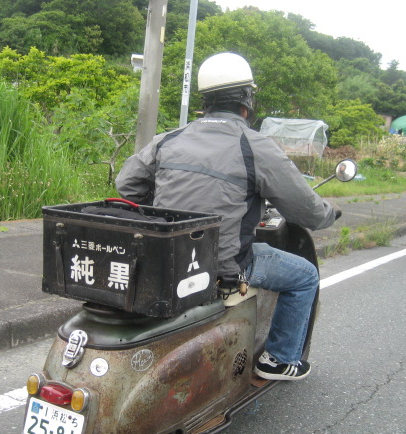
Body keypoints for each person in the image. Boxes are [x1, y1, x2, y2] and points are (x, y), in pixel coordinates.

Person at [115, 52, 339, 381]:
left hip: (166, 257)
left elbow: (127, 185)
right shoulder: (255, 146)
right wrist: (330, 213)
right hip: (225, 265)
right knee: (304, 277)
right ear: (246, 101)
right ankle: (278, 359)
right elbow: (304, 209)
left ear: (204, 102)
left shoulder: (169, 139)